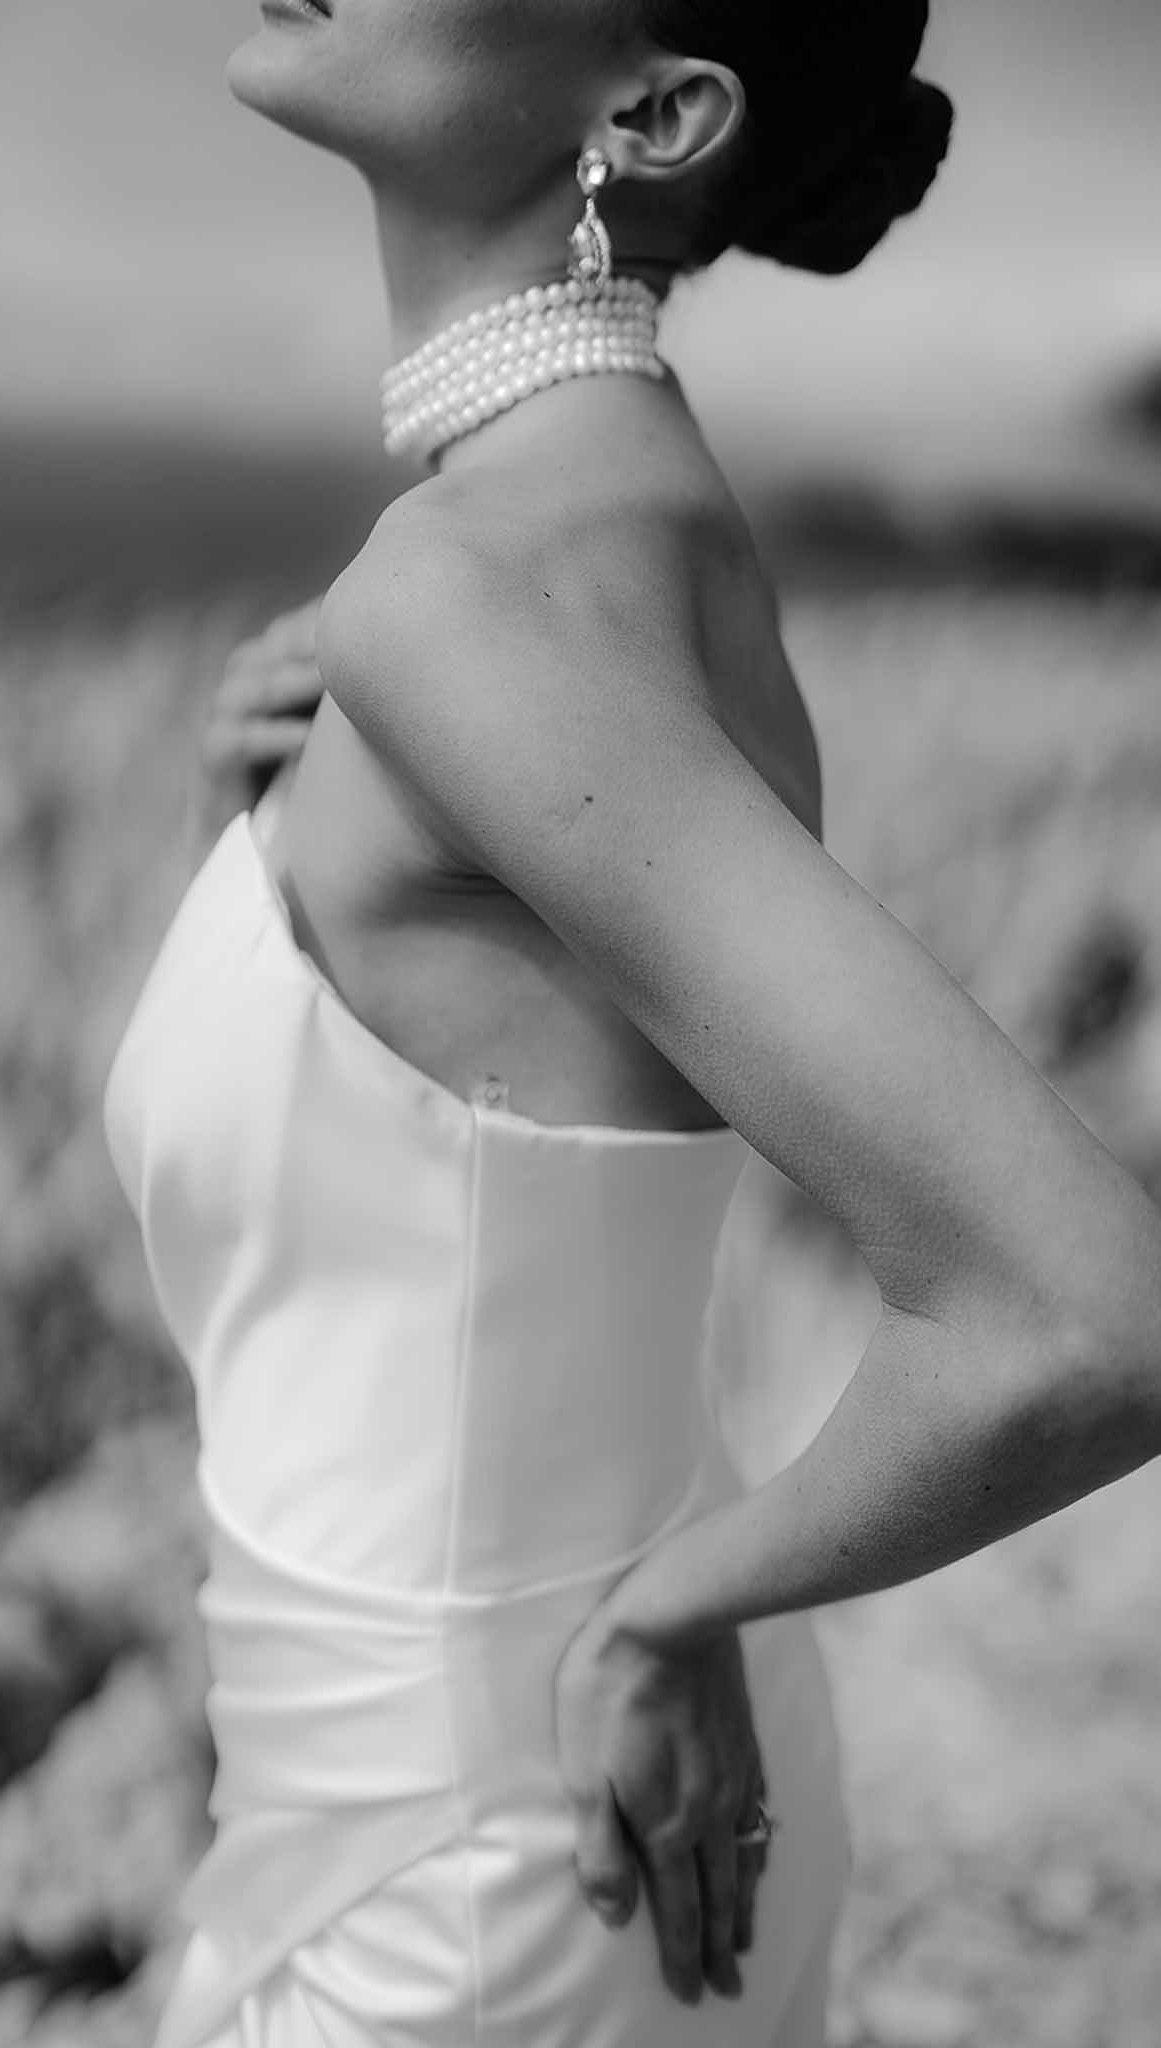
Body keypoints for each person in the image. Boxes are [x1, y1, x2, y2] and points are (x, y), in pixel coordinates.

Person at [104, 4, 1161, 2045]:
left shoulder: (476, 600)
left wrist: (681, 1606)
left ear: (656, 113)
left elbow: (1084, 1308)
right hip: (459, 1815)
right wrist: (265, 864)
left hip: (500, 1877)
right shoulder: (565, 571)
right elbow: (486, 1174)